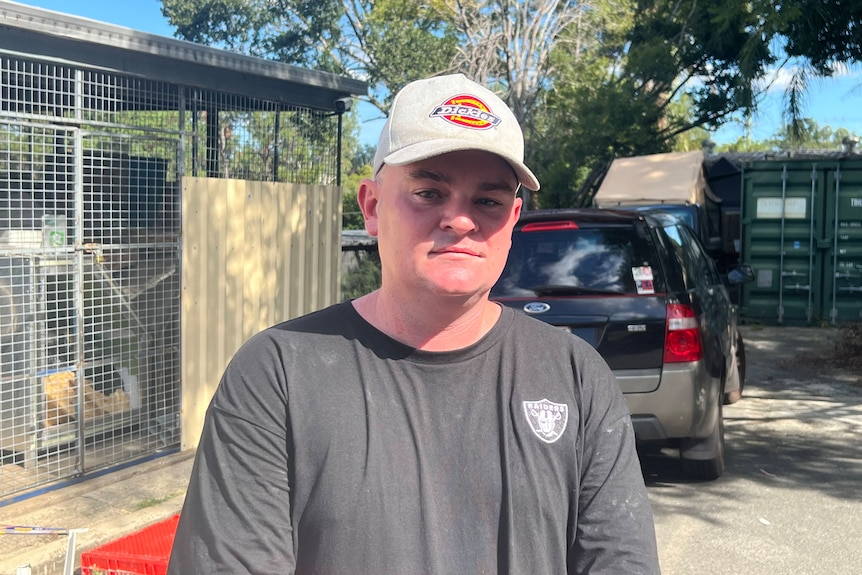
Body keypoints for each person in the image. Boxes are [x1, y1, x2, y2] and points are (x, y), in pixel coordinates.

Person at [168, 73, 661, 574]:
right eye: (429, 192)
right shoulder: (278, 374)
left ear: (513, 220)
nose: (461, 220)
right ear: (373, 206)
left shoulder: (577, 376)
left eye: (487, 201)